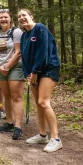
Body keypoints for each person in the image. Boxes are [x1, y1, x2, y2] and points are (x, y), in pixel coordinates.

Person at [18, 9, 62, 152]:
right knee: (38, 104)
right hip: (33, 73)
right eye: (19, 17)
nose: (22, 18)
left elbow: (43, 51)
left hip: (48, 68)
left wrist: (35, 72)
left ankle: (56, 138)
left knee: (44, 101)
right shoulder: (24, 35)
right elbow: (24, 56)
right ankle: (42, 135)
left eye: (24, 15)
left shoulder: (40, 28)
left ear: (31, 16)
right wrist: (28, 74)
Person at [0, 9, 25, 140]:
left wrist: (7, 66)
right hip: (0, 68)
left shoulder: (16, 32)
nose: (3, 20)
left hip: (15, 67)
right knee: (7, 96)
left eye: (5, 17)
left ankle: (18, 127)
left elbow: (18, 52)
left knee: (16, 96)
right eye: (1, 18)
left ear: (10, 19)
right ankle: (9, 122)